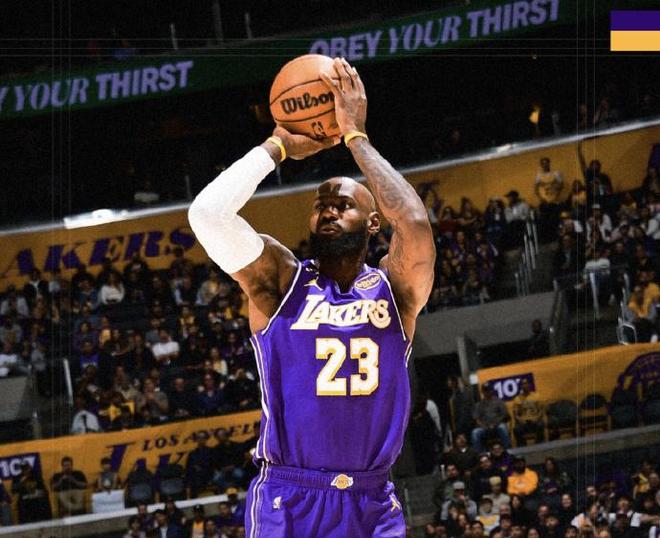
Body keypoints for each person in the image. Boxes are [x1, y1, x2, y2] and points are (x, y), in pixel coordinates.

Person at [188, 57, 435, 537]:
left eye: (344, 205)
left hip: (372, 500)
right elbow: (207, 215)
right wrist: (277, 146)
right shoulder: (281, 283)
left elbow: (414, 222)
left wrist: (355, 137)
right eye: (321, 205)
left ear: (373, 222)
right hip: (291, 497)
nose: (329, 211)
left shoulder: (397, 289)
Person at [471, 383, 511, 452]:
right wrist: (484, 426)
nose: (487, 392)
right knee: (475, 432)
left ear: (492, 390)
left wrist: (495, 424)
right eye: (485, 390)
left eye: (489, 390)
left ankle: (507, 451)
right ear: (482, 392)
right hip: (485, 428)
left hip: (497, 425)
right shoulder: (479, 404)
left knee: (503, 428)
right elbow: (477, 419)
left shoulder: (498, 401)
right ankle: (479, 455)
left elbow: (505, 415)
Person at [512, 378, 545, 446]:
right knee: (516, 429)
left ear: (529, 385)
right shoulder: (517, 399)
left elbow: (541, 410)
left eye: (526, 383)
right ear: (521, 386)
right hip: (524, 422)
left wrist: (537, 418)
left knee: (541, 425)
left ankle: (539, 444)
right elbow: (515, 415)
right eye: (523, 384)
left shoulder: (536, 396)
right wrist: (520, 420)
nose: (525, 385)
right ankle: (523, 445)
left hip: (535, 420)